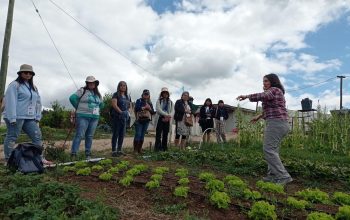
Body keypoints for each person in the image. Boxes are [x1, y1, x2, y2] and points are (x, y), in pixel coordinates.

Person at [237, 73, 292, 185]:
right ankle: (273, 175)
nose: (264, 83)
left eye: (266, 81)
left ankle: (283, 176)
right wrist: (259, 116)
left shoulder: (274, 90)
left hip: (276, 123)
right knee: (273, 150)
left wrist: (247, 96)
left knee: (268, 150)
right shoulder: (275, 92)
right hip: (279, 123)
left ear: (273, 81)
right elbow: (272, 107)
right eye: (263, 82)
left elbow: (264, 96)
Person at [2, 64, 51, 164]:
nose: (28, 74)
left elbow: (38, 102)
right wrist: (12, 118)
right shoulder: (14, 85)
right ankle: (9, 160)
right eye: (25, 72)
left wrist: (38, 116)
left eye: (30, 73)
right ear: (20, 73)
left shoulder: (33, 87)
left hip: (29, 117)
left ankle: (40, 158)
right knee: (12, 136)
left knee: (37, 136)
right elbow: (10, 101)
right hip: (16, 117)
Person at [69, 76, 104, 160]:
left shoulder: (97, 94)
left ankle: (88, 153)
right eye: (89, 82)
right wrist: (78, 107)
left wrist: (98, 109)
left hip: (94, 118)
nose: (91, 84)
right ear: (87, 83)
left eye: (93, 82)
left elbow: (102, 104)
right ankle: (74, 153)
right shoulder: (82, 90)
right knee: (79, 134)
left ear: (95, 84)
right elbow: (72, 98)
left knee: (89, 136)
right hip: (82, 116)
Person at [110, 81, 131, 157]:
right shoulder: (116, 94)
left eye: (124, 85)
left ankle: (119, 150)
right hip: (117, 117)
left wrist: (127, 112)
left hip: (124, 118)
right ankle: (113, 151)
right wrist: (121, 112)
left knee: (122, 134)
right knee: (116, 133)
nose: (123, 87)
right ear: (119, 86)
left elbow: (129, 106)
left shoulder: (127, 96)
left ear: (126, 87)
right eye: (121, 85)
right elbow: (114, 105)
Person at [133, 89, 155, 153]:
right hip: (139, 120)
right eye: (145, 94)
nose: (146, 95)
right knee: (138, 134)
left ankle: (139, 149)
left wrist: (150, 108)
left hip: (146, 120)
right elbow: (136, 108)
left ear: (149, 95)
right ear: (142, 94)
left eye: (147, 94)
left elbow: (153, 112)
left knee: (142, 135)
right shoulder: (139, 100)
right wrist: (144, 107)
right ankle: (135, 150)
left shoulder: (150, 103)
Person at [154, 87, 174, 151]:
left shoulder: (171, 102)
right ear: (162, 94)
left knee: (165, 134)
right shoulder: (159, 101)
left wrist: (169, 116)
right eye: (164, 93)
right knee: (158, 134)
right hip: (160, 118)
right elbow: (158, 109)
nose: (165, 94)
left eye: (166, 93)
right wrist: (166, 115)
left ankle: (164, 148)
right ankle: (157, 148)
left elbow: (173, 111)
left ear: (168, 94)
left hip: (168, 119)